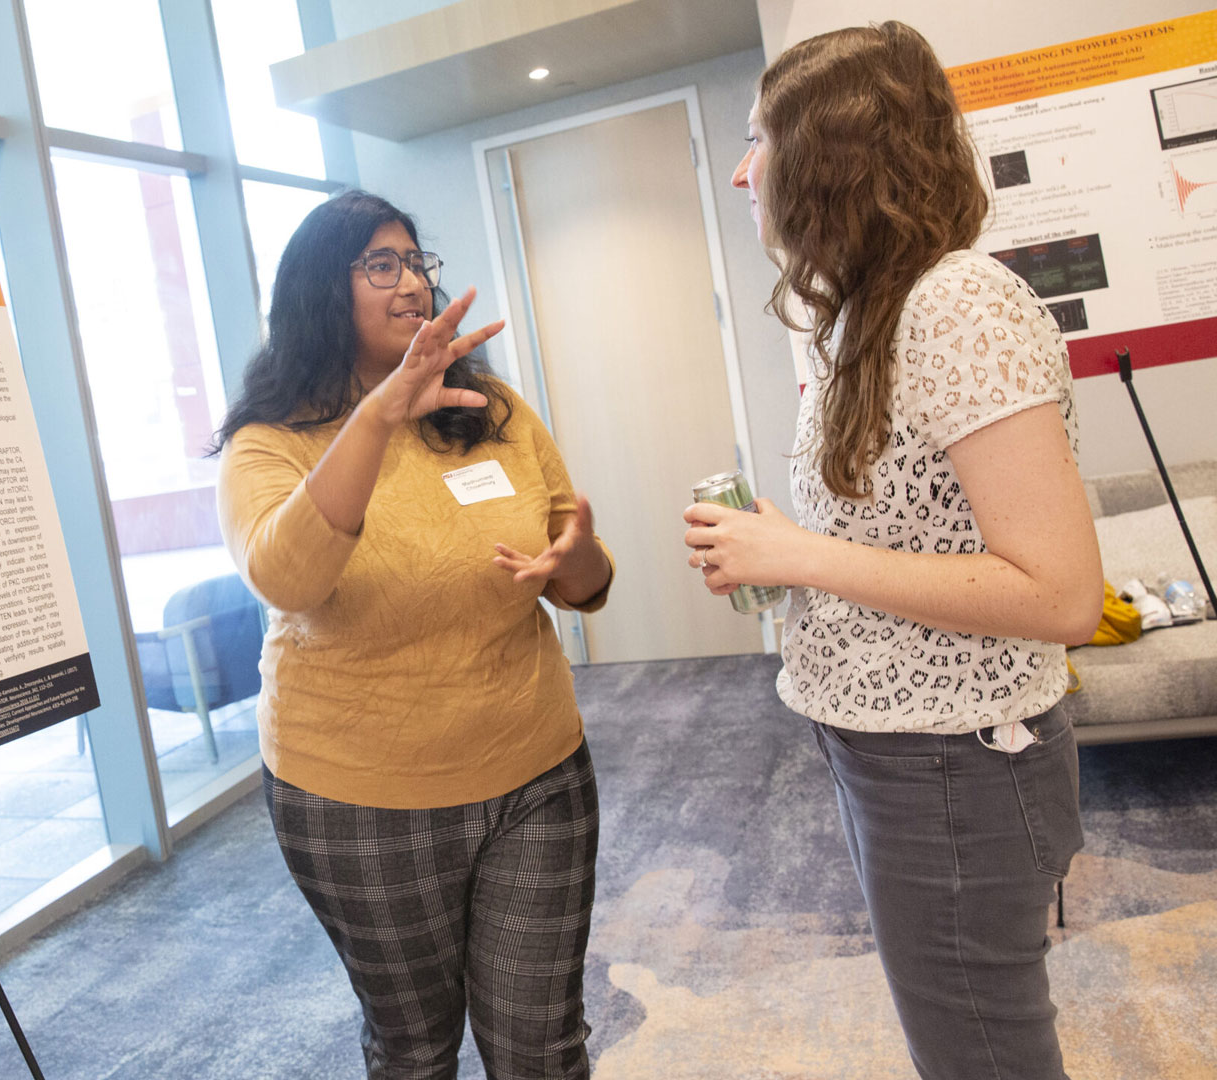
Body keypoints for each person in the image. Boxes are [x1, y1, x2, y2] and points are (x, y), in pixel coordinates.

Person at [683, 22, 1101, 1080]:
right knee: (963, 1036)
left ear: (832, 154)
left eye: (759, 142)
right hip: (901, 748)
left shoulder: (958, 304)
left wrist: (797, 556)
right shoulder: (870, 312)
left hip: (959, 759)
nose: (743, 173)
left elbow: (1059, 595)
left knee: (979, 1050)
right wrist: (788, 558)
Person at [214, 191, 614, 1079]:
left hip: (537, 771)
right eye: (380, 265)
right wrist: (381, 412)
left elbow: (584, 579)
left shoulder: (490, 407)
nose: (411, 285)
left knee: (541, 1046)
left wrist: (576, 560)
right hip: (362, 802)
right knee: (415, 1049)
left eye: (415, 262)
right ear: (322, 292)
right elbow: (289, 577)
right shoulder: (267, 444)